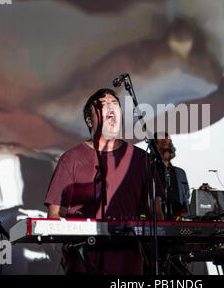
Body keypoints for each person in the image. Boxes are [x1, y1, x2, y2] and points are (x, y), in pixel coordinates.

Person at [44, 88, 164, 275]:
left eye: (115, 104)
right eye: (103, 105)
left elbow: (156, 215)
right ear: (89, 120)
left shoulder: (141, 160)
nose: (111, 108)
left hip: (129, 265)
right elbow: (54, 216)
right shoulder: (71, 159)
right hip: (84, 263)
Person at [154, 132, 190, 220]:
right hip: (155, 220)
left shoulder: (180, 173)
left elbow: (186, 197)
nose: (166, 143)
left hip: (177, 220)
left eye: (168, 143)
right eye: (162, 142)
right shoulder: (150, 170)